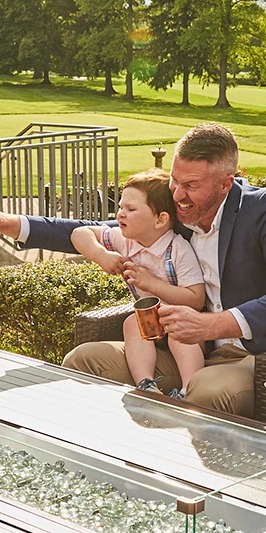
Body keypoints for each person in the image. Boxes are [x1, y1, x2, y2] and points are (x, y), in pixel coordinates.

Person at [0, 123, 266, 417]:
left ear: (225, 184)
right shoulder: (179, 212)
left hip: (265, 357)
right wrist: (4, 221)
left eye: (191, 186)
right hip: (194, 351)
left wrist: (212, 323)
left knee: (204, 393)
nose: (178, 194)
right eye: (175, 180)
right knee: (84, 359)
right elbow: (91, 229)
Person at [70, 169, 207, 396]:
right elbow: (79, 233)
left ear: (161, 219)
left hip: (187, 328)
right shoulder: (125, 241)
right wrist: (101, 255)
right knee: (132, 324)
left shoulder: (178, 250)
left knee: (177, 330)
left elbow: (196, 299)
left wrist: (151, 283)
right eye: (121, 207)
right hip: (151, 327)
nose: (120, 214)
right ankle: (146, 385)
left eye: (131, 209)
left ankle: (189, 389)